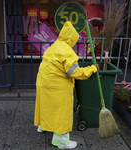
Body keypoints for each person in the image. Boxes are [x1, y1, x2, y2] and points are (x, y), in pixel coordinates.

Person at [34, 21, 100, 149]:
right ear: (72, 38)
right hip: (58, 86)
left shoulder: (53, 46)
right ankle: (61, 141)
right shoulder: (67, 51)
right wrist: (92, 68)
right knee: (62, 112)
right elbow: (75, 72)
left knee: (46, 105)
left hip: (43, 82)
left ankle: (43, 126)